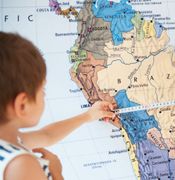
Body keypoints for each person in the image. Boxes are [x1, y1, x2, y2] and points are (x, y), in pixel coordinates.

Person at [0, 32, 115, 180]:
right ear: (22, 105)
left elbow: (47, 135)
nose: (44, 95)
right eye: (42, 91)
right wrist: (56, 173)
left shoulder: (11, 141)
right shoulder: (20, 164)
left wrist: (88, 115)